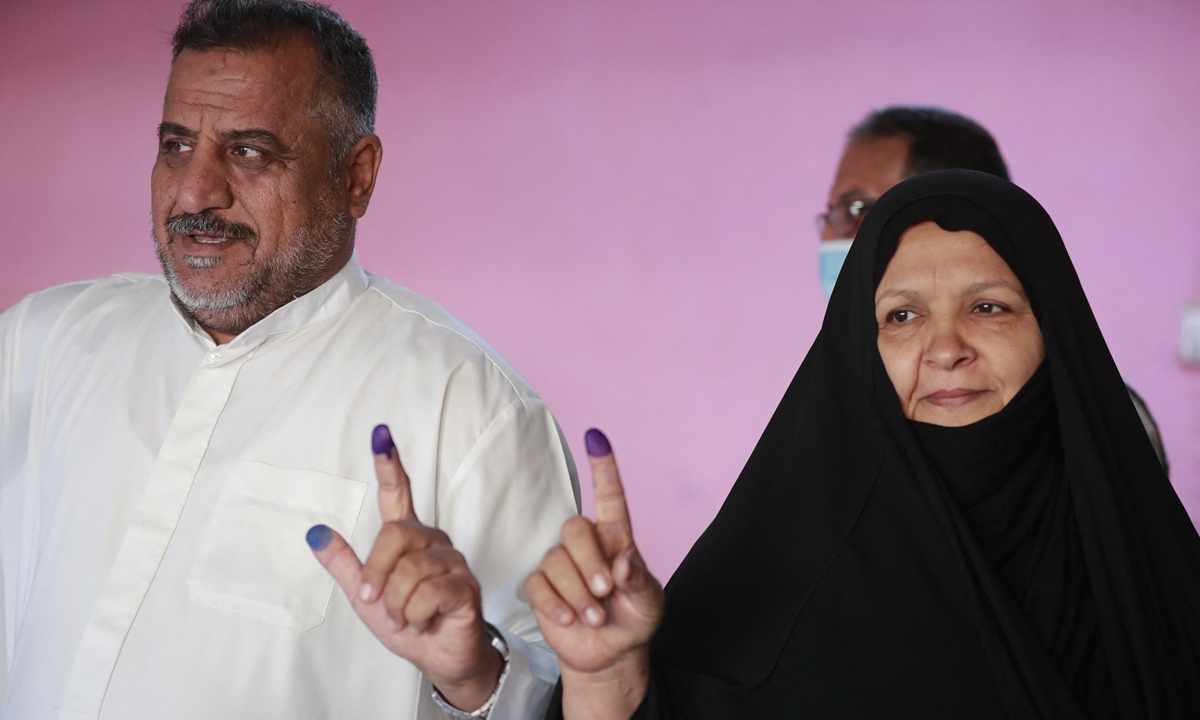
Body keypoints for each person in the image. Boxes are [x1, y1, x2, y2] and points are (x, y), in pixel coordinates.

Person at [0, 1, 578, 718]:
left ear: (356, 176)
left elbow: (568, 694)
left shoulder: (470, 411)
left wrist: (474, 678)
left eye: (248, 152)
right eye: (177, 144)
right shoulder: (44, 343)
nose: (194, 192)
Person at [529, 170, 1200, 719]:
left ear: (1054, 331)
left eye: (989, 306)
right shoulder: (779, 604)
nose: (945, 350)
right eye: (901, 316)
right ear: (858, 350)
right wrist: (605, 680)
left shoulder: (1143, 568)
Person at [818, 105, 1169, 472]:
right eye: (902, 316)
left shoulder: (1101, 419)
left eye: (855, 210)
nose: (945, 352)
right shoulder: (827, 418)